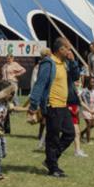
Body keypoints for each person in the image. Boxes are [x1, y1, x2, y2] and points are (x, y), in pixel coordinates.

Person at [28, 40, 74, 178]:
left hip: (63, 105)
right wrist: (33, 105)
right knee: (52, 137)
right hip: (52, 105)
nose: (69, 52)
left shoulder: (63, 63)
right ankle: (53, 167)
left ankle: (50, 160)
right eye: (68, 49)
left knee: (70, 134)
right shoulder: (48, 63)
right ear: (61, 49)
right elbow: (40, 84)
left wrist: (73, 62)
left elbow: (76, 76)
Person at [78, 76, 94, 144]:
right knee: (89, 123)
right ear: (88, 83)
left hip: (92, 108)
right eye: (91, 82)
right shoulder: (84, 91)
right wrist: (89, 110)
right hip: (85, 109)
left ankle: (81, 133)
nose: (93, 83)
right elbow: (83, 102)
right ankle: (88, 141)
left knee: (93, 124)